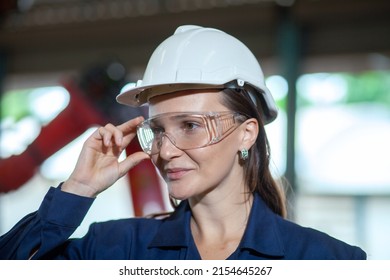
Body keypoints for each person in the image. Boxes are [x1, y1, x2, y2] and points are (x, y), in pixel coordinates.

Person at [0, 25, 366, 260]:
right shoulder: (116, 249)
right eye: (158, 130)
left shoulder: (326, 261)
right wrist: (77, 190)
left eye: (190, 125)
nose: (166, 149)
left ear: (247, 133)